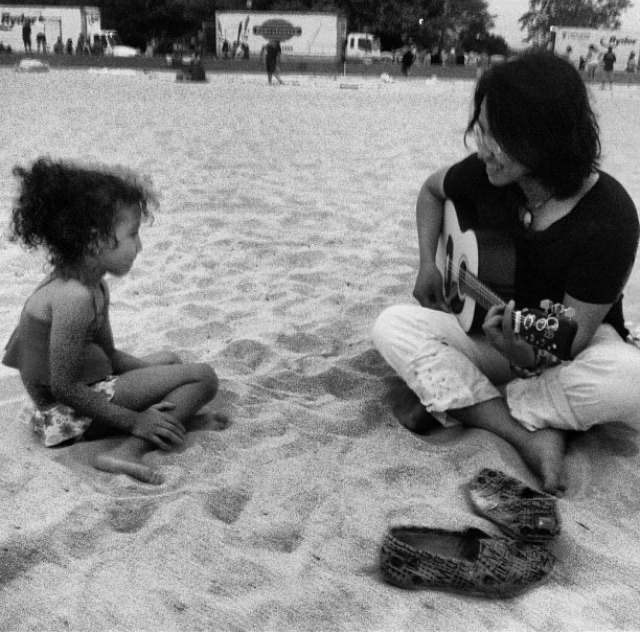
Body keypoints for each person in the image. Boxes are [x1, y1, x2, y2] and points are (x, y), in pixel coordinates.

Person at [372, 52, 640, 496]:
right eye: (481, 130)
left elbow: (571, 339)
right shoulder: (487, 175)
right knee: (392, 325)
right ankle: (528, 433)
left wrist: (523, 356)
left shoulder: (610, 214)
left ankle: (468, 403)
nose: (482, 149)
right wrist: (428, 263)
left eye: (498, 137)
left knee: (630, 379)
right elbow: (431, 192)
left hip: (569, 351)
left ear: (547, 137)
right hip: (490, 337)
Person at [2, 158, 222, 485]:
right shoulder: (73, 298)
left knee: (171, 362)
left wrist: (158, 374)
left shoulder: (94, 285)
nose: (140, 246)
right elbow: (64, 387)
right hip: (63, 417)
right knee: (203, 377)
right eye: (133, 234)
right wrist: (135, 421)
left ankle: (175, 422)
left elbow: (110, 356)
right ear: (95, 241)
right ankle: (130, 449)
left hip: (83, 396)